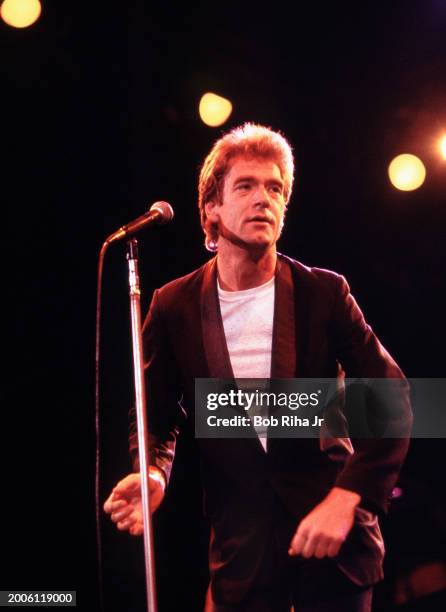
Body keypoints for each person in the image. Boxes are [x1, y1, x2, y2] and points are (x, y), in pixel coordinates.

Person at [104, 123, 412, 611]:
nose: (263, 199)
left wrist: (348, 497)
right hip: (242, 555)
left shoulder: (324, 293)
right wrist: (154, 473)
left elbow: (394, 399)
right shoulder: (173, 305)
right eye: (245, 186)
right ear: (212, 211)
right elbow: (158, 415)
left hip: (332, 548)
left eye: (275, 188)